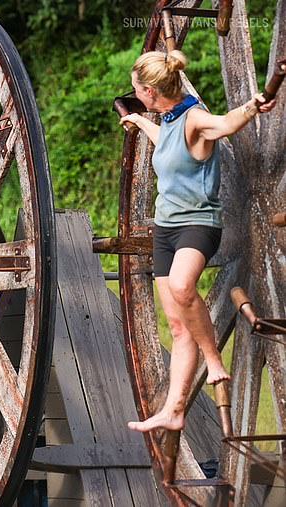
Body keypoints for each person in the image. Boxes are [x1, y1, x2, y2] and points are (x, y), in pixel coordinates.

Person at [119, 50, 276, 433]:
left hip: (198, 225)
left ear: (152, 91)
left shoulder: (193, 118)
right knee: (175, 324)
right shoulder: (169, 122)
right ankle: (174, 411)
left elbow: (224, 124)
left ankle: (213, 360)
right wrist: (138, 120)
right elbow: (166, 144)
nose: (135, 95)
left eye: (138, 93)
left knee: (182, 286)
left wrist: (252, 107)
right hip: (166, 230)